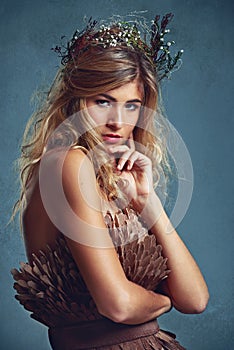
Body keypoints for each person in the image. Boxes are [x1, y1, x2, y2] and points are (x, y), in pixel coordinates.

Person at [11, 14, 209, 350]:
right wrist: (162, 303)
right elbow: (117, 304)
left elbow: (195, 299)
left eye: (131, 106)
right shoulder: (67, 163)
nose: (118, 121)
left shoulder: (115, 178)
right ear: (75, 100)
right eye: (103, 101)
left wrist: (149, 205)